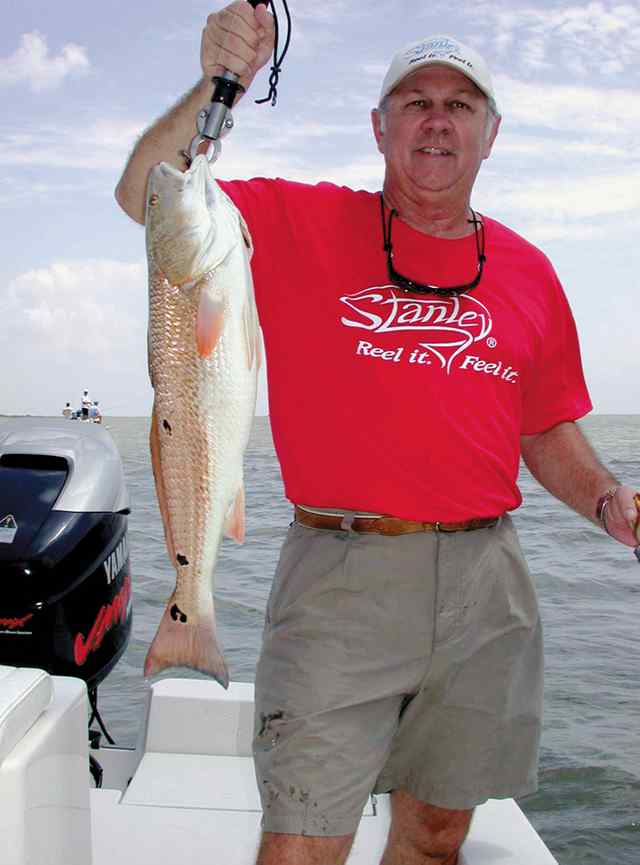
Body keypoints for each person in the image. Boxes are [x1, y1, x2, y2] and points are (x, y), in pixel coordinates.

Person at [115, 5, 640, 864]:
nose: (437, 118)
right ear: (379, 126)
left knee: (436, 833)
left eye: (460, 105)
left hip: (487, 583)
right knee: (299, 841)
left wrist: (608, 500)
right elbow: (150, 192)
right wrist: (217, 88)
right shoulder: (297, 223)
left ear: (491, 134)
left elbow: (545, 426)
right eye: (415, 100)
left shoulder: (531, 274)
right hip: (341, 576)